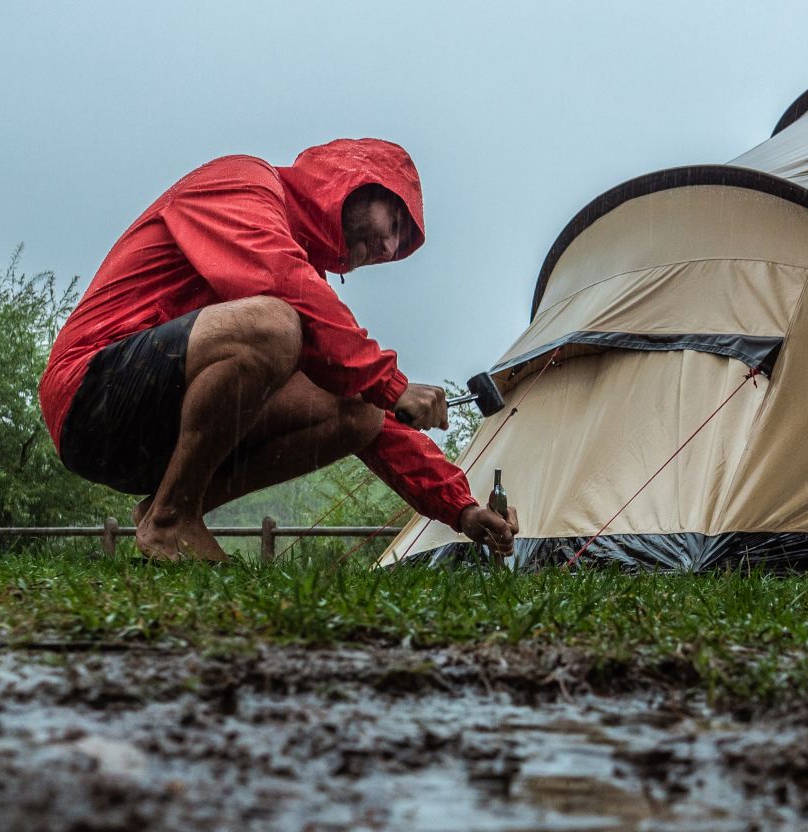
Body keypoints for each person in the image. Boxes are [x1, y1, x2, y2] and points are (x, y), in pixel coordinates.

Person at [38, 138, 518, 561]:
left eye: (401, 244)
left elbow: (371, 405)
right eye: (393, 221)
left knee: (358, 410)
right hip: (93, 397)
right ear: (353, 182)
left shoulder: (308, 285)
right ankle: (171, 521)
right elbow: (279, 280)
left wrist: (462, 508)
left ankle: (171, 510)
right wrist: (392, 384)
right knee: (275, 324)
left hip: (158, 432)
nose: (390, 248)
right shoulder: (244, 183)